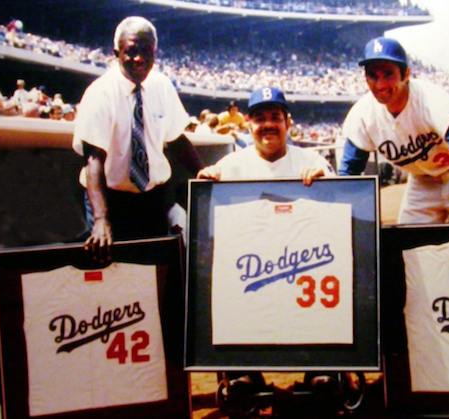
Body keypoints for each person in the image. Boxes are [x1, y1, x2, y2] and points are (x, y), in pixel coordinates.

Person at [198, 86, 343, 395]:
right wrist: (209, 182)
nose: (267, 124)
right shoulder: (231, 165)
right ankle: (242, 370)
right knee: (228, 285)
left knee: (325, 284)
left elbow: (340, 216)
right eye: (259, 118)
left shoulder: (310, 159)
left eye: (275, 117)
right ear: (248, 125)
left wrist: (325, 180)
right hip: (254, 267)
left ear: (288, 123)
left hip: (303, 264)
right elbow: (211, 228)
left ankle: (323, 365)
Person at [72, 16, 203, 262]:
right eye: (131, 51)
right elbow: (93, 159)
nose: (140, 59)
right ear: (116, 52)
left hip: (151, 199)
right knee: (111, 274)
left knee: (150, 273)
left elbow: (177, 140)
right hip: (111, 200)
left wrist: (203, 173)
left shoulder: (162, 86)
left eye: (146, 51)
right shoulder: (100, 93)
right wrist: (102, 219)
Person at [340, 37, 449, 232]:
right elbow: (348, 173)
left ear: (406, 75)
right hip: (421, 181)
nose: (380, 84)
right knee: (409, 249)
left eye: (388, 74)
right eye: (373, 75)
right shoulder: (363, 114)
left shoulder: (431, 100)